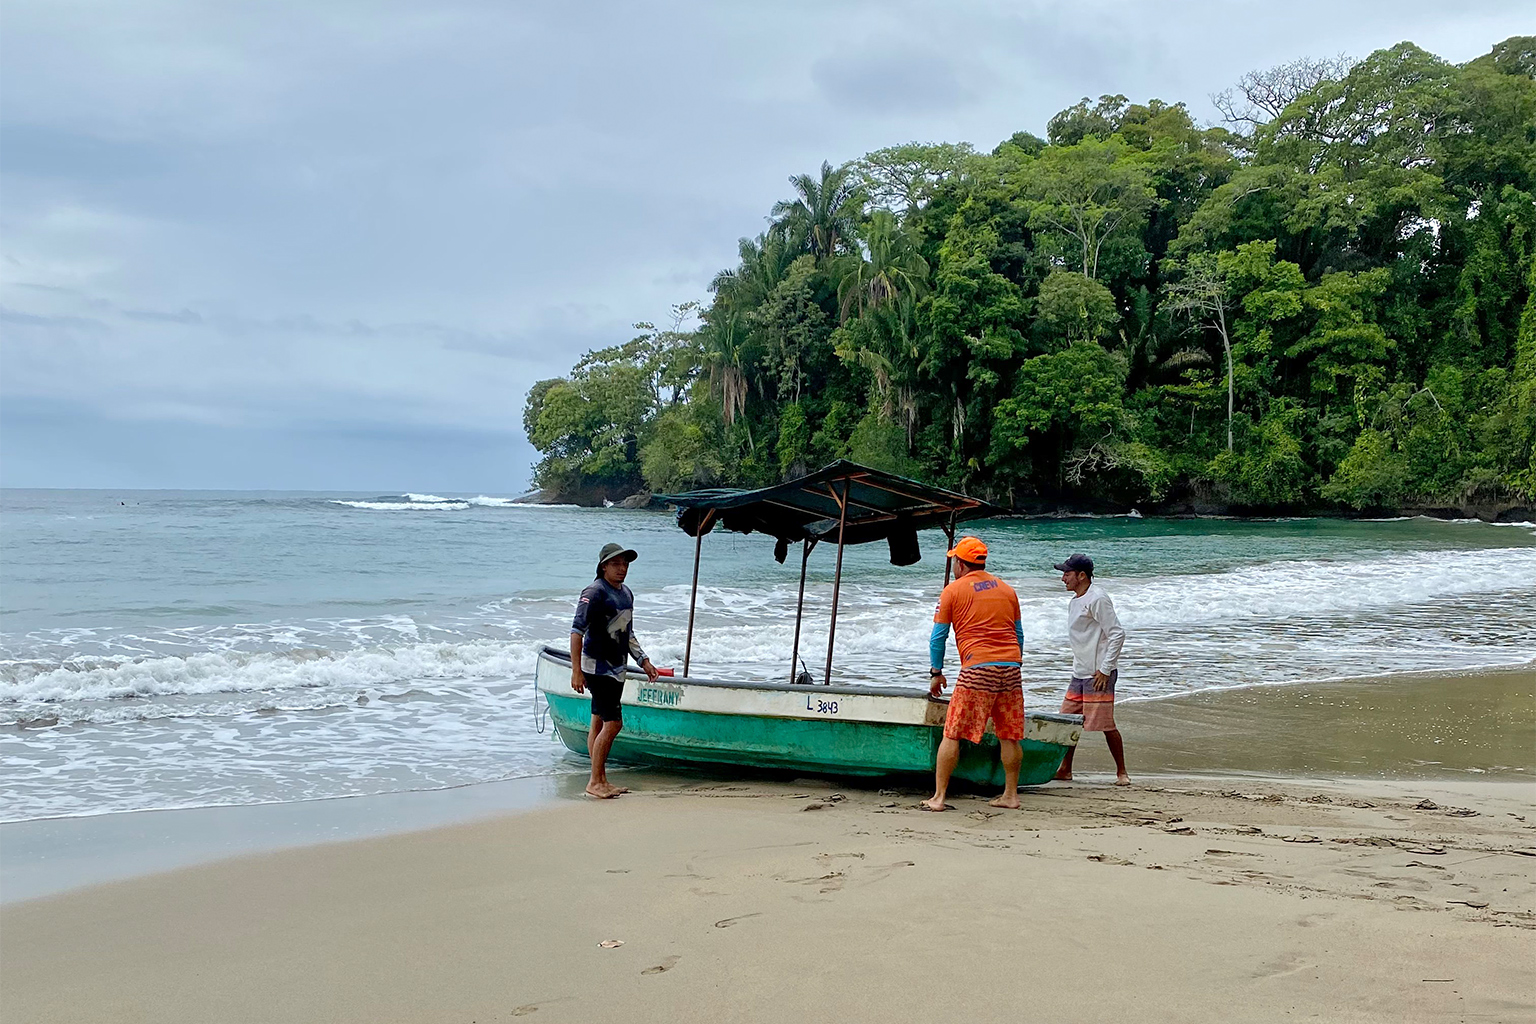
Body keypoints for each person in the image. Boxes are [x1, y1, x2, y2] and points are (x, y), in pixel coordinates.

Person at [922, 536, 1027, 812]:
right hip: (1011, 667)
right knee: (1009, 734)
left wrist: (937, 672)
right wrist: (1015, 663)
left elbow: (938, 637)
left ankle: (939, 797)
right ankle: (1011, 795)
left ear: (959, 563)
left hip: (977, 668)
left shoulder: (952, 591)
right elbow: (1018, 635)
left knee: (953, 732)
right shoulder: (1007, 590)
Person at [570, 542, 660, 799]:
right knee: (614, 723)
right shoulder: (594, 592)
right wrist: (576, 671)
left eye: (625, 564)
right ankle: (595, 782)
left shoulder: (626, 593)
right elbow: (577, 632)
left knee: (598, 721)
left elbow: (627, 632)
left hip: (617, 668)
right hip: (597, 668)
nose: (622, 569)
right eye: (616, 564)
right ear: (603, 566)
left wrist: (643, 660)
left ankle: (599, 779)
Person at [1052, 553, 1129, 785]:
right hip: (1080, 671)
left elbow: (1117, 634)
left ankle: (1122, 773)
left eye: (1067, 573)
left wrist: (1105, 670)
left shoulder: (1097, 598)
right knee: (1067, 722)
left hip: (1098, 674)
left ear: (1082, 575)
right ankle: (1065, 769)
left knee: (1106, 725)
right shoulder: (1076, 600)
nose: (1063, 578)